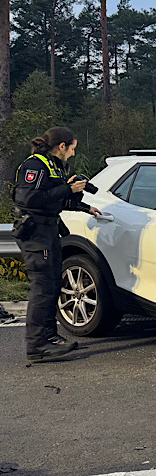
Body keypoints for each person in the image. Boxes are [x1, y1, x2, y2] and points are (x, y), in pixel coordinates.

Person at [12, 127, 102, 365]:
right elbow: (27, 199)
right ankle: (36, 345)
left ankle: (49, 337)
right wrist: (67, 189)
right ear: (62, 146)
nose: (73, 154)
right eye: (72, 148)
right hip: (35, 233)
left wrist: (83, 206)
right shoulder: (35, 165)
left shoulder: (54, 166)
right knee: (42, 286)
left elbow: (53, 198)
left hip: (49, 230)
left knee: (53, 284)